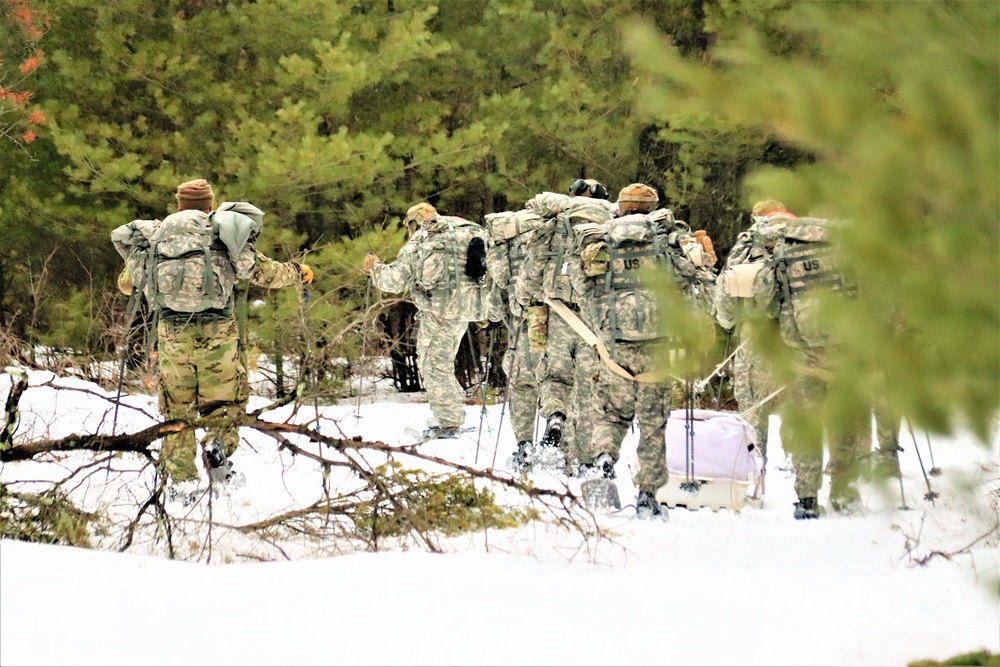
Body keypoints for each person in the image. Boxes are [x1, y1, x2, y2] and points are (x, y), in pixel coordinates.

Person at [112, 179, 313, 498]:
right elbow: (260, 272)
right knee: (226, 403)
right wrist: (298, 271)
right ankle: (217, 448)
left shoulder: (157, 234)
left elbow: (127, 284)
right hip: (218, 334)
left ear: (178, 205)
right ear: (210, 205)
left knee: (176, 409)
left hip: (172, 335)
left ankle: (181, 482)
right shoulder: (221, 231)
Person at [573, 183, 717, 517]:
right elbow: (695, 275)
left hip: (614, 346)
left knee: (611, 413)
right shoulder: (668, 238)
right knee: (652, 423)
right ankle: (647, 497)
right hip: (658, 345)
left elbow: (581, 286)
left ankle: (604, 460)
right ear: (653, 207)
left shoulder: (598, 238)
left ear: (620, 207)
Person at [748, 202, 868, 519]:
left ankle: (806, 499)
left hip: (801, 352)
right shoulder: (844, 249)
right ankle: (843, 491)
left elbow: (763, 299)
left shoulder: (784, 252)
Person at [364, 202, 500, 439]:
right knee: (442, 361)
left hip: (440, 311)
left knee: (433, 364)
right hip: (471, 308)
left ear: (415, 221)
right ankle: (450, 410)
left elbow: (393, 282)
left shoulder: (421, 242)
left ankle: (449, 420)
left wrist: (374, 268)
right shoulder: (468, 229)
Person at [511, 179, 613, 473]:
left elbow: (532, 268)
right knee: (587, 387)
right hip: (595, 320)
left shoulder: (555, 223)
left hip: (554, 313)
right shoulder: (611, 225)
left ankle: (555, 415)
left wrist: (523, 302)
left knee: (554, 376)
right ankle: (581, 458)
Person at [712, 199, 788, 466]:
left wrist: (727, 321)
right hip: (798, 335)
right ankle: (799, 463)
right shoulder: (803, 238)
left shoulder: (750, 242)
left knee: (753, 404)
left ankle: (756, 464)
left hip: (754, 334)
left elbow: (727, 283)